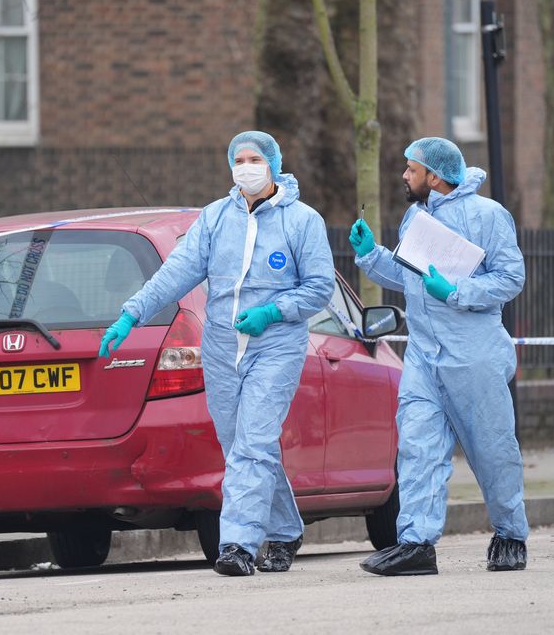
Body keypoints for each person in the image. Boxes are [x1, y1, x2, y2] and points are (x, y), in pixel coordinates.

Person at [99, 130, 335, 576]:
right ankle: (284, 530)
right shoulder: (214, 219)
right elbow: (177, 273)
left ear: (273, 164)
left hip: (276, 346)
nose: (246, 167)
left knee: (254, 443)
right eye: (238, 159)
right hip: (223, 347)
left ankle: (238, 545)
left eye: (254, 159)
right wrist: (131, 315)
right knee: (241, 447)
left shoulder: (303, 221)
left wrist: (273, 311)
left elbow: (320, 287)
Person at [349, 137, 529, 575]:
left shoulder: (488, 215)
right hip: (425, 357)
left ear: (434, 176)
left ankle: (511, 534)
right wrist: (371, 256)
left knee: (492, 449)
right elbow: (409, 274)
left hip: (474, 357)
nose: (404, 176)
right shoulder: (415, 216)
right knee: (417, 448)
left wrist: (457, 292)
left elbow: (511, 278)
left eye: (411, 169)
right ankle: (415, 544)